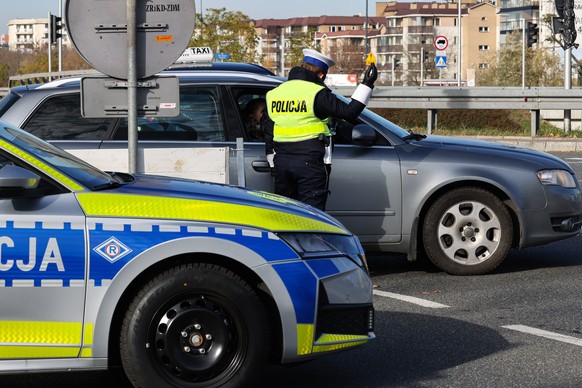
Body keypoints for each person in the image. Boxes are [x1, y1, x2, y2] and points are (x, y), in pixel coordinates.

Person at [262, 48, 377, 211]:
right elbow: (349, 113)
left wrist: (272, 160)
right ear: (321, 75)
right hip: (309, 162)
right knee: (311, 217)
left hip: (282, 162)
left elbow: (268, 128)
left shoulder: (274, 94)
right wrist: (367, 84)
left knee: (286, 214)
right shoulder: (316, 93)